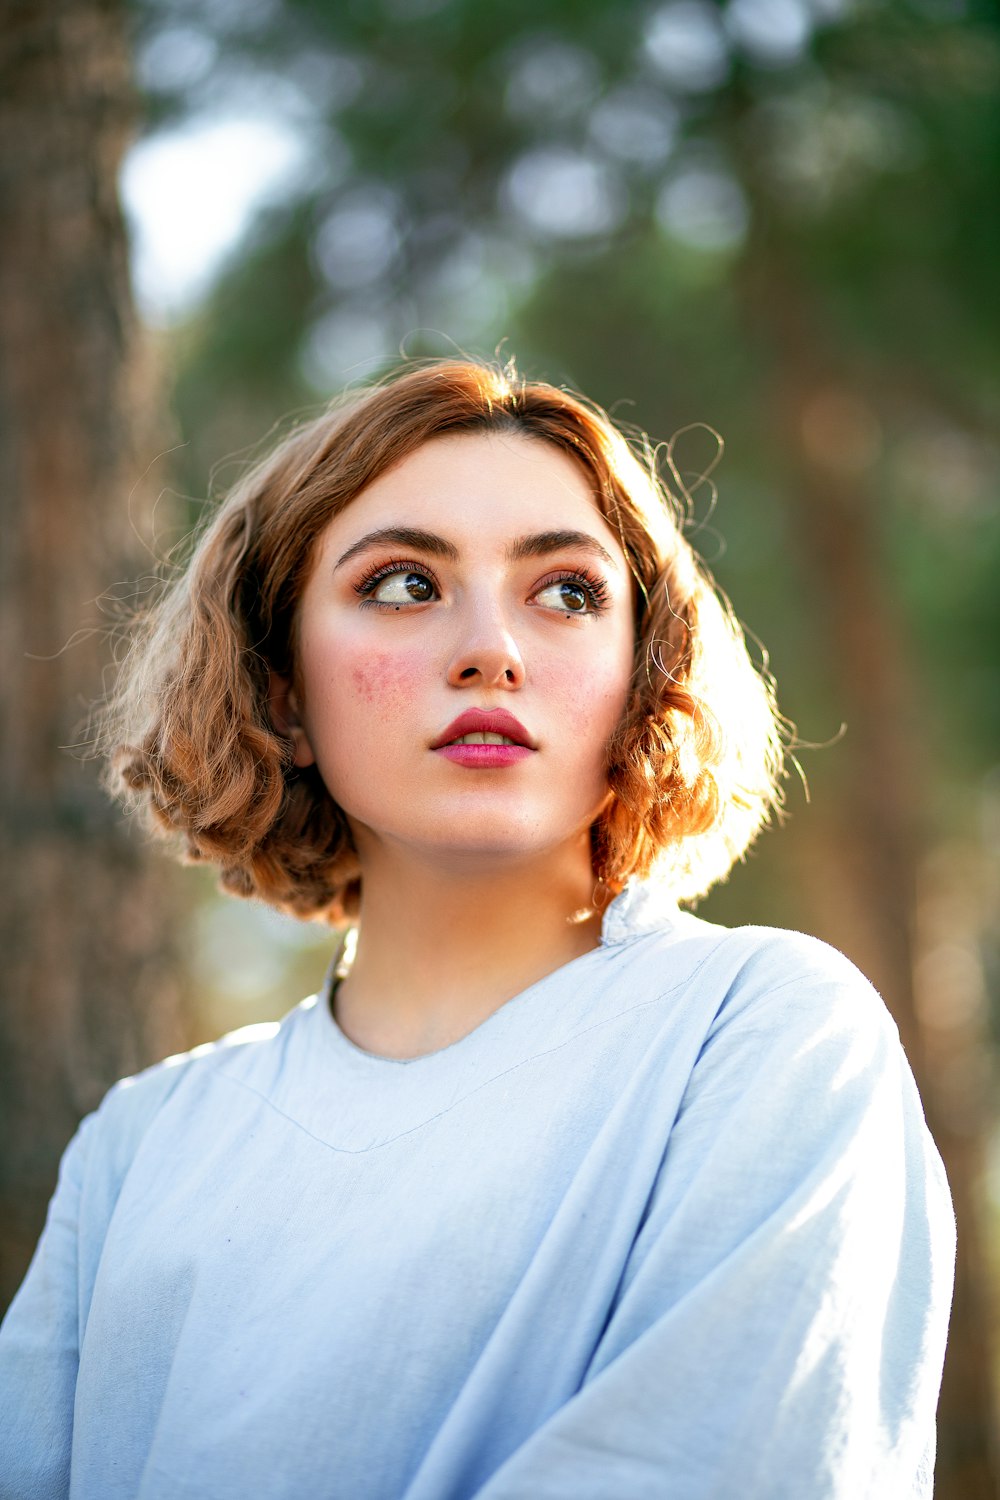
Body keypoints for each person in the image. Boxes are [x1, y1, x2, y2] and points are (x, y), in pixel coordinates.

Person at [0, 358, 954, 1499]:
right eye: (403, 584)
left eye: (566, 592)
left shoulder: (759, 1031)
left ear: (642, 676)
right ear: (280, 690)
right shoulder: (138, 1147)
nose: (490, 647)